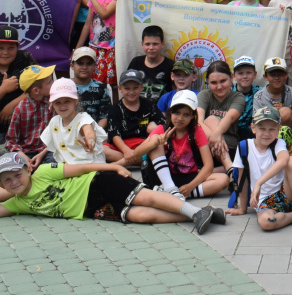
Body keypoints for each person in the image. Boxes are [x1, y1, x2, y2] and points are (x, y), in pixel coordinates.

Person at [0, 152, 225, 231]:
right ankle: (204, 213)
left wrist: (115, 166)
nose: (14, 182)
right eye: (7, 180)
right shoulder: (17, 203)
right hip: (93, 209)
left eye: (17, 175)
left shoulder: (45, 171)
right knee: (141, 215)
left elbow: (83, 167)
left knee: (146, 198)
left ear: (28, 169)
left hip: (97, 183)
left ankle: (194, 212)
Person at [226, 104, 292, 231]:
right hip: (264, 201)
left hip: (285, 194)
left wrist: (259, 183)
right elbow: (242, 178)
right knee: (267, 222)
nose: (267, 134)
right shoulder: (244, 147)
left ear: (278, 129)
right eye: (262, 128)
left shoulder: (279, 143)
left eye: (272, 129)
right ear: (253, 128)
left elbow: (284, 160)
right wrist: (242, 208)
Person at [139, 90, 229, 201]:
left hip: (188, 177)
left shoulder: (196, 130)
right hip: (163, 177)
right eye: (177, 113)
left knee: (223, 180)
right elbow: (136, 153)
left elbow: (209, 166)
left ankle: (176, 194)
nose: (180, 118)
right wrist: (155, 142)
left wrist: (190, 186)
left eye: (186, 114)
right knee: (155, 142)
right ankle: (170, 188)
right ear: (170, 112)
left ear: (193, 116)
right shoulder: (162, 129)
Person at [77, 0, 125, 99]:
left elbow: (104, 14)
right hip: (95, 48)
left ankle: (116, 111)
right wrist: (78, 48)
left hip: (112, 49)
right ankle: (97, 109)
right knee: (95, 83)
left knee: (114, 84)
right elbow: (87, 24)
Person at [103, 69, 162, 166]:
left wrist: (153, 126)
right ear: (120, 89)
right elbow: (114, 134)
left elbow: (162, 124)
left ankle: (119, 164)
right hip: (122, 146)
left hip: (143, 144)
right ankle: (139, 159)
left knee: (157, 145)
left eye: (135, 88)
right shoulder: (115, 109)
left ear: (141, 88)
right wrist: (126, 151)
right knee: (103, 150)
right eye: (127, 88)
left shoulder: (149, 104)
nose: (131, 92)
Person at [41, 78, 106, 164]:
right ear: (52, 104)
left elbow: (89, 132)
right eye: (57, 102)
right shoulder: (54, 121)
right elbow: (54, 143)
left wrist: (91, 142)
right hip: (70, 167)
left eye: (67, 101)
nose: (62, 106)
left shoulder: (83, 118)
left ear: (76, 101)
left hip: (90, 165)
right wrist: (40, 155)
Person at [4, 64, 55, 167]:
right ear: (36, 90)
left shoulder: (54, 103)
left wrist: (42, 154)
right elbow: (11, 141)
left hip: (48, 150)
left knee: (54, 162)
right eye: (49, 82)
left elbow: (58, 133)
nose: (53, 83)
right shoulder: (21, 108)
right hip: (27, 151)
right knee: (15, 166)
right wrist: (23, 156)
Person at [196, 60, 243, 165]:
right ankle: (230, 170)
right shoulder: (204, 95)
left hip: (229, 146)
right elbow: (198, 121)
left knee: (211, 119)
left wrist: (218, 133)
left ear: (231, 78)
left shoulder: (238, 97)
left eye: (223, 81)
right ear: (207, 82)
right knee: (210, 120)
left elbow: (230, 117)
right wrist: (216, 138)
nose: (219, 87)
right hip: (206, 147)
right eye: (214, 83)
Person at [0, 26, 37, 136]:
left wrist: (13, 105)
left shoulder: (24, 57)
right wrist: (3, 89)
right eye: (1, 48)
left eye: (11, 48)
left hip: (24, 126)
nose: (5, 52)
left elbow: (42, 85)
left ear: (17, 47)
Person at [125, 25, 174, 100]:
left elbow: (175, 93)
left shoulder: (171, 66)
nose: (151, 48)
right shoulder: (136, 63)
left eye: (155, 44)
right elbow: (127, 88)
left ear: (162, 44)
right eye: (147, 44)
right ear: (142, 44)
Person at [71, 47, 111, 128]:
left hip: (96, 132)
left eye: (89, 63)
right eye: (80, 63)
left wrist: (94, 132)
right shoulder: (64, 86)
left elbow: (105, 116)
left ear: (94, 66)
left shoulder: (102, 88)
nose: (84, 67)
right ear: (72, 66)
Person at [254, 58, 292, 128]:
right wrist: (272, 112)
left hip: (290, 132)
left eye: (280, 74)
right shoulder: (259, 96)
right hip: (267, 130)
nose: (277, 78)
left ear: (286, 75)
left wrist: (285, 111)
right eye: (273, 75)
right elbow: (256, 120)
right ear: (265, 77)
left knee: (285, 112)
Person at [232, 56, 261, 140]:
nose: (245, 76)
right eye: (240, 73)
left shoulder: (261, 93)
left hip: (254, 133)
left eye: (248, 73)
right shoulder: (228, 92)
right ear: (234, 76)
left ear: (255, 74)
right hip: (233, 132)